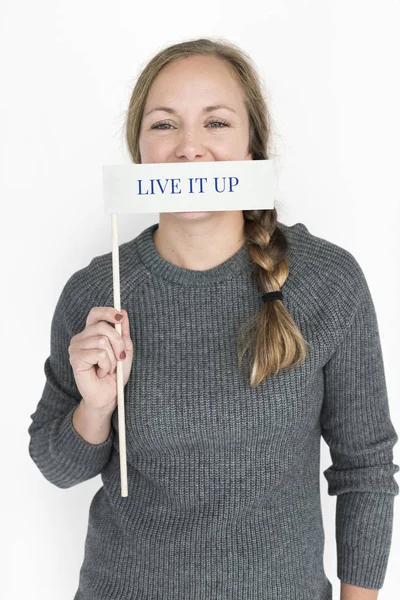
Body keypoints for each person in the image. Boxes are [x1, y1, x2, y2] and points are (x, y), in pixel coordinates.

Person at [28, 37, 399, 600]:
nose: (189, 149)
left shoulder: (329, 282)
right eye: (164, 125)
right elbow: (59, 466)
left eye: (217, 123)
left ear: (253, 148)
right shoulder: (96, 292)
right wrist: (96, 405)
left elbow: (366, 468)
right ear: (140, 153)